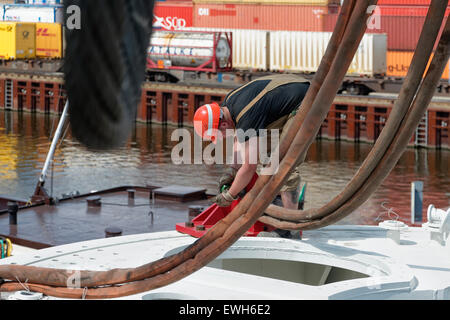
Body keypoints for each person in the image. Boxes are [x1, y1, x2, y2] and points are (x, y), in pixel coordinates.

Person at [193, 74, 310, 237]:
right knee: (266, 157)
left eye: (219, 135)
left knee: (283, 164)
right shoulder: (229, 104)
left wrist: (230, 194)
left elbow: (249, 166)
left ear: (223, 124)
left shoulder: (245, 117)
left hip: (306, 102)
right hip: (291, 95)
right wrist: (232, 171)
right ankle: (279, 206)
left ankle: (291, 228)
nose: (221, 138)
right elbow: (239, 139)